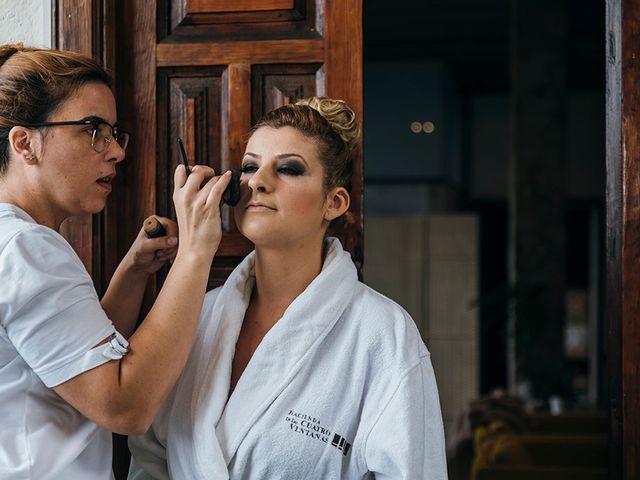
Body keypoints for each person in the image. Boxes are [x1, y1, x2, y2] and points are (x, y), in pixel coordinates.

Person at [128, 97, 448, 479]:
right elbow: (148, 461)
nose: (258, 181)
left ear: (334, 202)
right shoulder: (194, 317)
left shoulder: (384, 335)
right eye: (250, 166)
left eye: (289, 169)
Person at [0, 44, 231, 479]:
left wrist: (134, 271)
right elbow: (125, 405)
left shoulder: (15, 241)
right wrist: (196, 251)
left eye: (113, 133)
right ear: (25, 143)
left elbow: (73, 361)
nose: (116, 152)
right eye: (92, 130)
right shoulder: (27, 249)